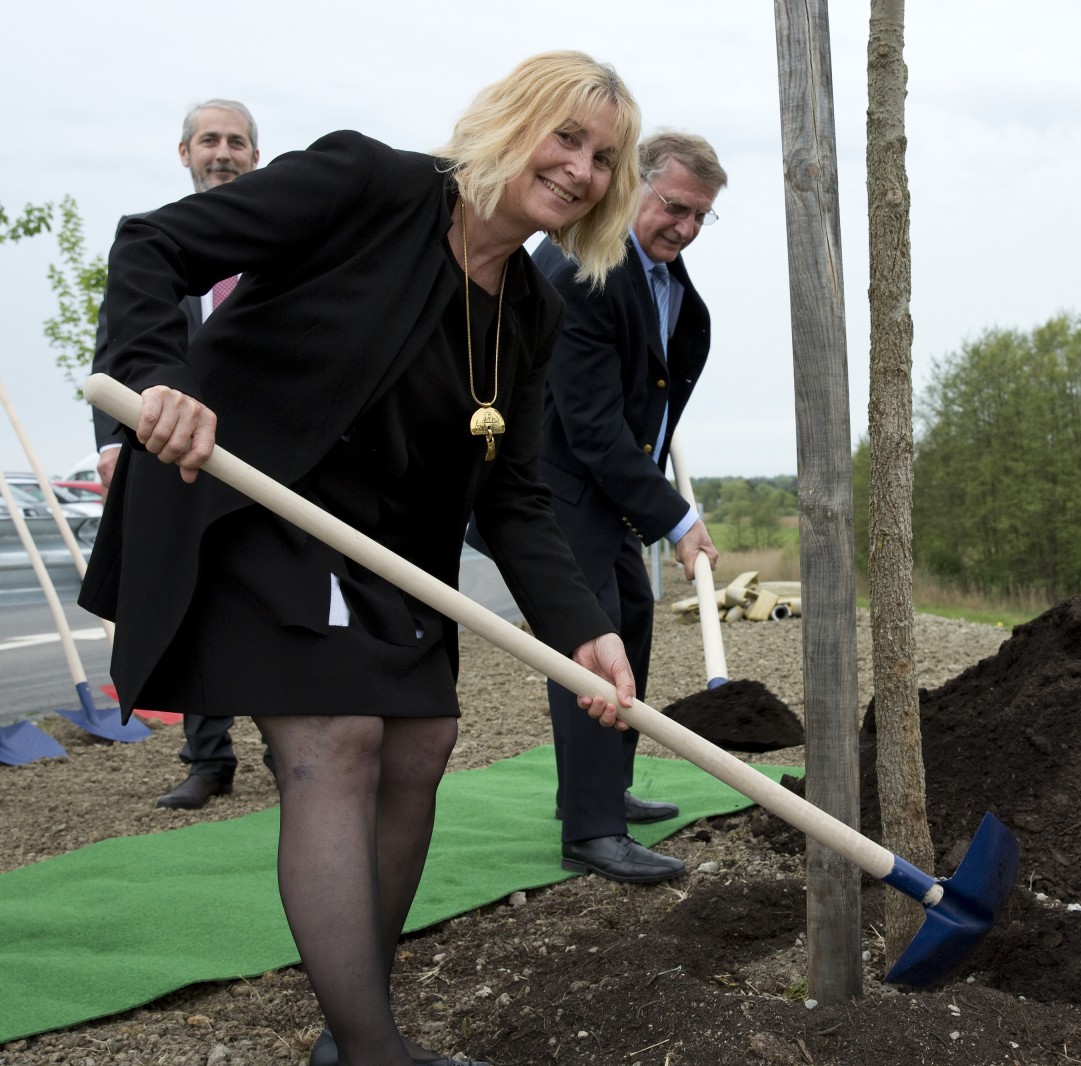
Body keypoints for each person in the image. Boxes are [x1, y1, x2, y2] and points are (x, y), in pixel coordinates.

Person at [81, 52, 642, 1066]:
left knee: (420, 745)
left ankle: (352, 1029)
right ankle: (373, 1048)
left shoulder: (531, 307)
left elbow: (512, 493)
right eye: (565, 136)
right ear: (508, 122)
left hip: (387, 549)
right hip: (249, 500)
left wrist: (584, 627)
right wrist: (157, 375)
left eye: (605, 157)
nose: (581, 170)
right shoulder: (366, 184)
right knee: (337, 737)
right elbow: (153, 246)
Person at [530, 130, 726, 884]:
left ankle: (602, 787)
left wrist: (652, 501)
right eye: (675, 207)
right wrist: (676, 517)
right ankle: (591, 832)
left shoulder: (659, 273)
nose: (686, 227)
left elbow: (651, 397)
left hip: (607, 485)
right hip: (557, 483)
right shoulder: (584, 269)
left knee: (633, 615)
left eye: (701, 216)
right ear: (635, 188)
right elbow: (590, 425)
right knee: (588, 646)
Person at [90, 98, 268, 810]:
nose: (222, 152)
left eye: (236, 142)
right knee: (190, 605)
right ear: (184, 153)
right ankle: (207, 759)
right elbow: (117, 347)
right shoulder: (152, 245)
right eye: (208, 141)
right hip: (178, 459)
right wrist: (111, 443)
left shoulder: (281, 248)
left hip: (272, 466)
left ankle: (292, 748)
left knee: (269, 605)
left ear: (257, 156)